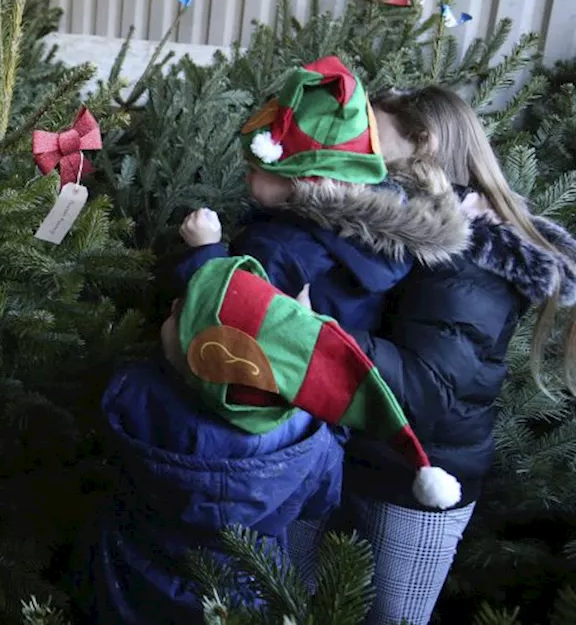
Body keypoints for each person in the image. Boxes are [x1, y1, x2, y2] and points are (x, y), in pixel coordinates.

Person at [288, 85, 576, 625]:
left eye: (373, 132)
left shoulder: (471, 258)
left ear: (423, 142)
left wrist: (308, 328)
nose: (358, 144)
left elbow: (424, 388)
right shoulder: (405, 225)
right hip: (356, 456)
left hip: (416, 482)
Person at [79, 255, 460, 623]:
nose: (174, 302)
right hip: (248, 584)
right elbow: (320, 501)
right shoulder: (307, 433)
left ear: (204, 358)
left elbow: (105, 436)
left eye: (181, 313)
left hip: (136, 569)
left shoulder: (139, 392)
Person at [175, 55, 467, 335]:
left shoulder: (280, 246)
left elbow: (223, 323)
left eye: (256, 166)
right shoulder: (370, 240)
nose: (246, 170)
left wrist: (206, 251)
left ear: (304, 177)